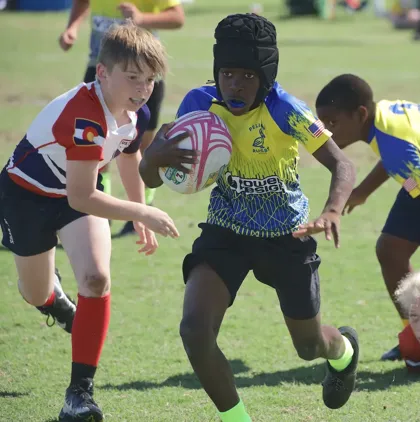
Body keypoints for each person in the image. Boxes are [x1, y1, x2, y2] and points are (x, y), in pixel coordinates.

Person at [140, 13, 360, 421]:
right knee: (194, 331)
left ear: (266, 77)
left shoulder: (286, 109)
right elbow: (150, 173)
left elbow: (343, 164)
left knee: (309, 347)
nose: (235, 84)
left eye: (246, 75)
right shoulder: (198, 105)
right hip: (225, 232)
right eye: (227, 73)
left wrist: (331, 210)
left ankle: (343, 350)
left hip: (286, 235)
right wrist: (153, 159)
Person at [0, 22, 179, 421]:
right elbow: (81, 195)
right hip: (26, 198)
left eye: (150, 79)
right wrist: (143, 211)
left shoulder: (136, 109)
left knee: (97, 279)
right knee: (34, 293)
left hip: (77, 192)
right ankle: (55, 303)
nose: (143, 88)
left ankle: (79, 396)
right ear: (102, 73)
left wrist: (138, 211)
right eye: (133, 77)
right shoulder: (85, 115)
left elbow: (128, 156)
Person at [314, 73, 420, 362]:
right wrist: (362, 192)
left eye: (333, 122)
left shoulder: (393, 143)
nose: (326, 131)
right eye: (322, 123)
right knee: (391, 249)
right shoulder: (382, 120)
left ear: (360, 113)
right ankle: (416, 337)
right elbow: (395, 154)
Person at [58, 0, 185, 236]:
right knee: (96, 148)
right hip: (102, 67)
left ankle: (142, 208)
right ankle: (99, 212)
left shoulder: (143, 91)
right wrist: (73, 26)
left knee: (141, 146)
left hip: (144, 72)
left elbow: (177, 17)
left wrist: (141, 19)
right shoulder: (88, 98)